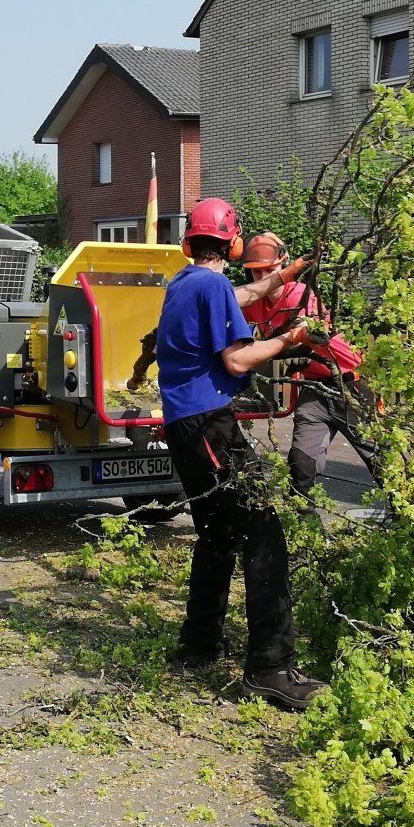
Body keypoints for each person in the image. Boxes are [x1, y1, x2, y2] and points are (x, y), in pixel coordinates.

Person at [154, 197, 326, 712]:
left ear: (192, 241)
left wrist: (284, 275)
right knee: (263, 528)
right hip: (209, 423)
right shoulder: (208, 285)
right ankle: (270, 668)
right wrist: (289, 340)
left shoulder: (188, 283)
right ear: (231, 242)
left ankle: (199, 643)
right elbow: (235, 359)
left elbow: (241, 292)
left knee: (217, 532)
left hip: (186, 424)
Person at [240, 231, 376, 499]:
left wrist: (266, 356)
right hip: (315, 387)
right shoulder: (254, 305)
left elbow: (300, 345)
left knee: (381, 460)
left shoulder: (299, 295)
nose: (263, 278)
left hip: (350, 383)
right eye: (256, 272)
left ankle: (410, 515)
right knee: (301, 465)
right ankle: (301, 523)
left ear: (285, 265)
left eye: (269, 270)